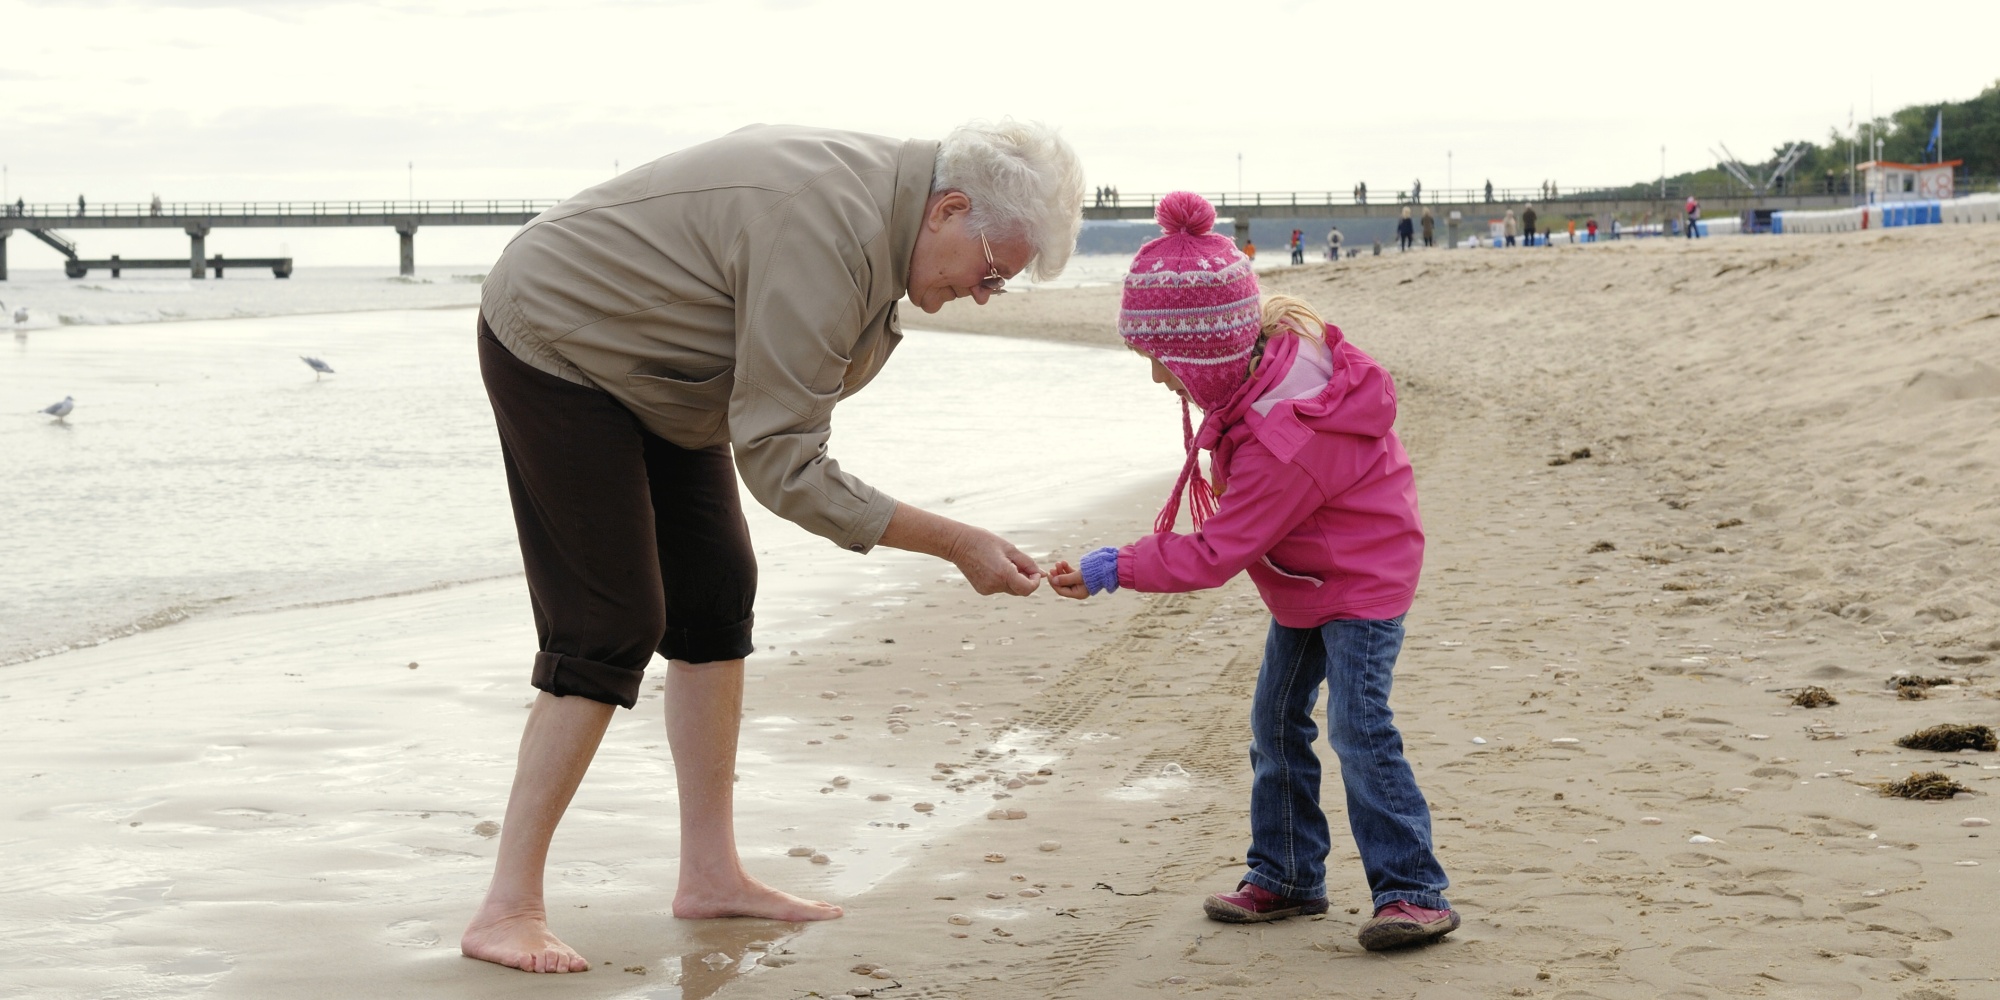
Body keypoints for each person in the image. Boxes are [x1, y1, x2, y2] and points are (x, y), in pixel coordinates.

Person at [462, 120, 1084, 974]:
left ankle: (710, 874)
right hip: (561, 336)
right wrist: (955, 542)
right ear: (948, 209)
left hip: (666, 369)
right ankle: (507, 908)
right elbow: (784, 462)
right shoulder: (826, 225)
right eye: (993, 272)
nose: (986, 292)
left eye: (1001, 287)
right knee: (610, 620)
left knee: (716, 592)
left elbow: (778, 412)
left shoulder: (889, 222)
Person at [1048, 192, 1456, 952]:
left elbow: (1213, 554)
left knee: (1358, 728)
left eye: (1163, 366)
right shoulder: (1262, 373)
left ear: (1203, 355)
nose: (1160, 383)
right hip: (1308, 579)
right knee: (1274, 721)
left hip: (1361, 579)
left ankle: (1412, 888)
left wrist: (1114, 567)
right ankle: (1291, 872)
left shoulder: (1280, 438)